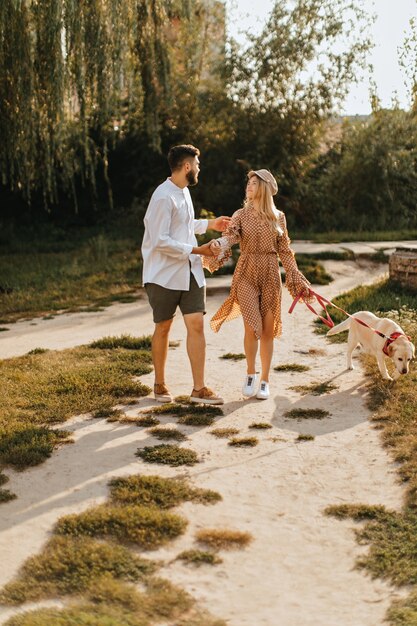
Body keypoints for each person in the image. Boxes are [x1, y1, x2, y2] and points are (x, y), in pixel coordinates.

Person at [207, 169, 311, 400]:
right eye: (248, 183)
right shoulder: (241, 214)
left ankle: (265, 380)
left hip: (270, 273)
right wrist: (220, 243)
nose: (249, 186)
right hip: (246, 272)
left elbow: (284, 249)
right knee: (251, 327)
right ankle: (250, 373)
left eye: (254, 183)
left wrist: (295, 274)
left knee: (267, 331)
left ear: (263, 188)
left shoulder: (278, 217)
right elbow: (232, 236)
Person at [141, 144, 231, 405]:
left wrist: (210, 224)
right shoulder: (162, 197)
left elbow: (183, 225)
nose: (200, 169)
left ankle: (199, 389)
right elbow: (160, 240)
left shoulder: (183, 192)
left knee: (196, 324)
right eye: (198, 165)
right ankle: (159, 384)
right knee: (164, 326)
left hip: (190, 271)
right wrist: (197, 249)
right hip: (164, 275)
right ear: (187, 166)